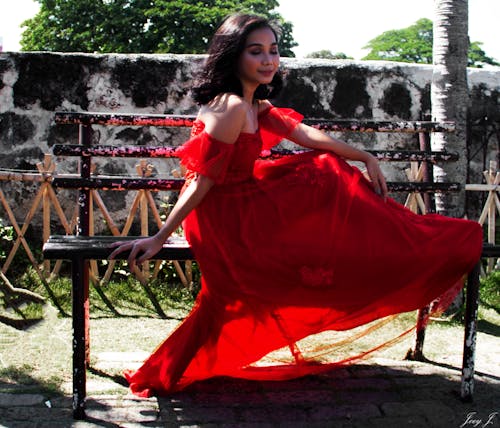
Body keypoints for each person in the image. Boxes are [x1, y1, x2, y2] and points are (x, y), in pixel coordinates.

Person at [110, 13, 483, 397]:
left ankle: (407, 241)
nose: (269, 60)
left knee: (327, 166)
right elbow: (201, 180)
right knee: (324, 174)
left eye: (273, 51)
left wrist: (363, 157)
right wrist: (160, 236)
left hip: (246, 203)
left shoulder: (254, 104)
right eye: (256, 52)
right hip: (225, 218)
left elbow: (304, 134)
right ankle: (412, 242)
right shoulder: (232, 106)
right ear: (233, 56)